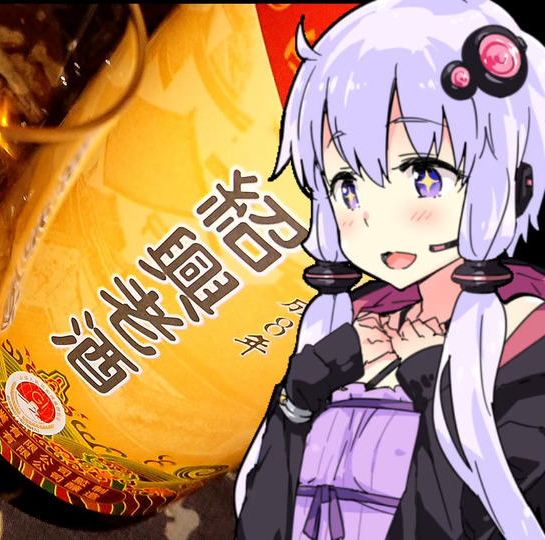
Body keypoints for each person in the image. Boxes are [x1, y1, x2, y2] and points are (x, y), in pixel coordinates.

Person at [233, 0, 545, 538]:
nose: (374, 221)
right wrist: (298, 401)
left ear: (515, 181)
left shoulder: (528, 345)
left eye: (425, 175)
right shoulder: (352, 320)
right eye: (347, 186)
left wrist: (428, 381)